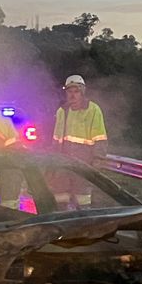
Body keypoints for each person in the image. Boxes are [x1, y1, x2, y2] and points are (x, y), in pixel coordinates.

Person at [52, 74, 107, 207]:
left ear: (82, 92)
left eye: (76, 91)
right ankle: (63, 218)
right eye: (69, 91)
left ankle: (84, 218)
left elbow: (100, 138)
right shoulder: (62, 111)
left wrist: (98, 160)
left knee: (82, 198)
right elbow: (56, 138)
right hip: (62, 163)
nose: (72, 95)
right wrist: (52, 161)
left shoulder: (93, 110)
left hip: (83, 163)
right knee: (60, 196)